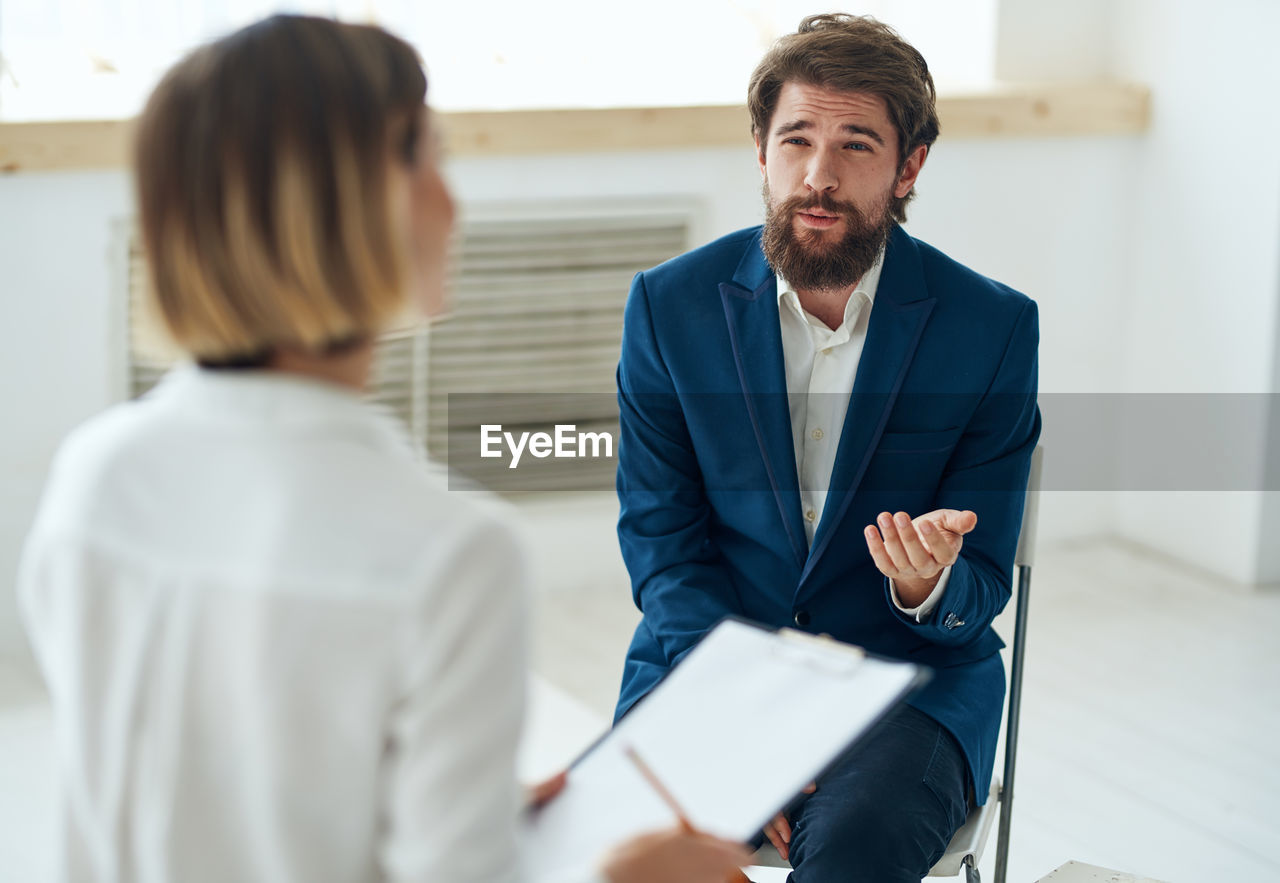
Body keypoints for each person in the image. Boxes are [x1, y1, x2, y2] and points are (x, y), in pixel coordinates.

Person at [17, 15, 747, 883]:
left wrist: (468, 810)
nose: (451, 195)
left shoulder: (95, 477)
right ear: (358, 203)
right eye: (429, 153)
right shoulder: (452, 555)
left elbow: (206, 796)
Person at [613, 13, 1040, 882]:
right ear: (761, 151)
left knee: (851, 850)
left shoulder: (991, 327)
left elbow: (984, 574)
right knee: (639, 855)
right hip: (710, 661)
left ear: (907, 165)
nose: (819, 175)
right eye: (796, 138)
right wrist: (739, 719)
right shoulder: (668, 307)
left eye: (855, 144)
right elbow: (662, 544)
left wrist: (926, 584)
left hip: (906, 682)